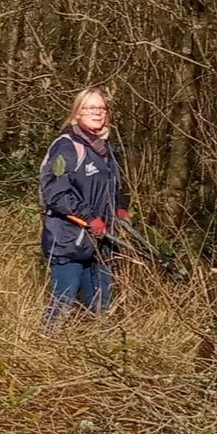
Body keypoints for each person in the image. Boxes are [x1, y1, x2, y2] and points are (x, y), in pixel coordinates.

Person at [40, 88, 129, 321]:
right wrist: (89, 217)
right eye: (90, 108)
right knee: (62, 303)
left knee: (102, 307)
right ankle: (48, 340)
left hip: (103, 243)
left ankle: (102, 342)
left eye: (101, 108)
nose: (97, 113)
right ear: (77, 112)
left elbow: (115, 187)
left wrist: (121, 209)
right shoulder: (66, 146)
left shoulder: (106, 149)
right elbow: (56, 193)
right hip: (70, 241)